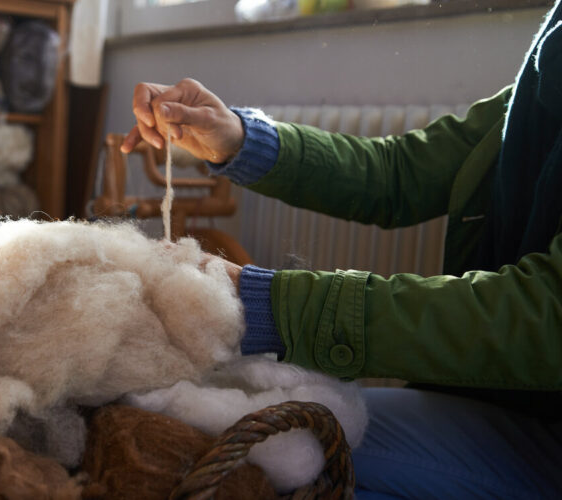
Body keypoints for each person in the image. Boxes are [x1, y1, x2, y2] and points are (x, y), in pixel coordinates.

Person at [121, 2, 562, 498]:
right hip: (513, 405)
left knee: (266, 462)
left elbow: (547, 318)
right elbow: (401, 173)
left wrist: (270, 304)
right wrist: (239, 140)